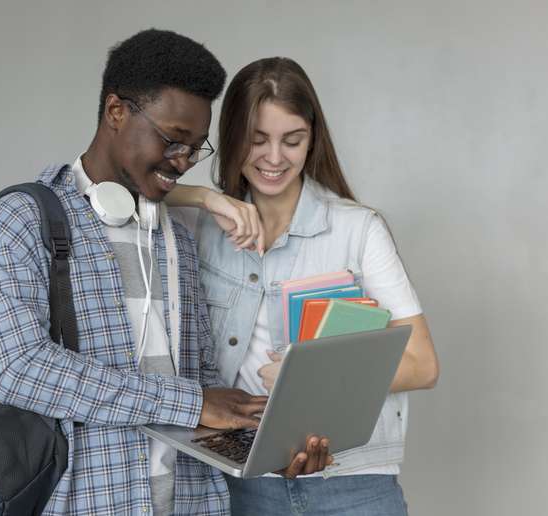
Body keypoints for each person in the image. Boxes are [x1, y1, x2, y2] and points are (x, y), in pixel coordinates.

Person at [0, 32, 327, 516]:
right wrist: (189, 403)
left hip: (194, 504)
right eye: (173, 140)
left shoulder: (175, 234)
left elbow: (202, 381)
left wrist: (266, 445)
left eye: (195, 148)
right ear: (116, 112)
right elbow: (17, 370)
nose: (182, 162)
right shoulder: (20, 220)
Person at [167, 57, 440, 515]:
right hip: (237, 484)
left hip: (353, 485)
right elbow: (115, 187)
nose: (275, 159)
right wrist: (204, 195)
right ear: (232, 137)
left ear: (312, 139)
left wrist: (306, 382)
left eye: (292, 141)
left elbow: (423, 365)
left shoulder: (359, 229)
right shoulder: (197, 225)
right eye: (257, 140)